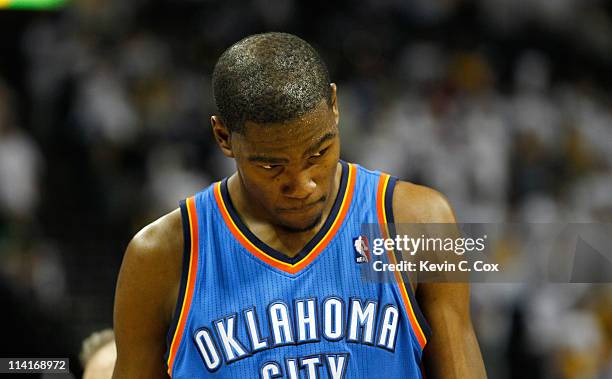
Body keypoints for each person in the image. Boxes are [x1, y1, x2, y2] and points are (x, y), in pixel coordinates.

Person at [112, 32, 487, 378]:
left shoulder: (416, 220)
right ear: (224, 137)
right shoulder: (161, 256)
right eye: (271, 165)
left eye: (319, 153)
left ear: (335, 106)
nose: (303, 185)